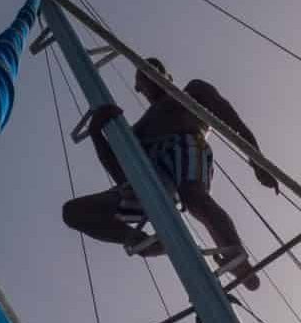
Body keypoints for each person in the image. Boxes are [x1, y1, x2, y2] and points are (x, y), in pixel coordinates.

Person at [61, 57, 276, 290]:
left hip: (186, 146)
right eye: (142, 74)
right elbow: (121, 173)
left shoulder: (191, 92)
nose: (149, 75)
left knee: (194, 197)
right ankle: (145, 242)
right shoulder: (136, 131)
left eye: (155, 69)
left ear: (168, 75)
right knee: (75, 212)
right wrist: (96, 132)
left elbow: (230, 119)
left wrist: (256, 159)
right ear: (138, 88)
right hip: (153, 174)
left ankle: (237, 258)